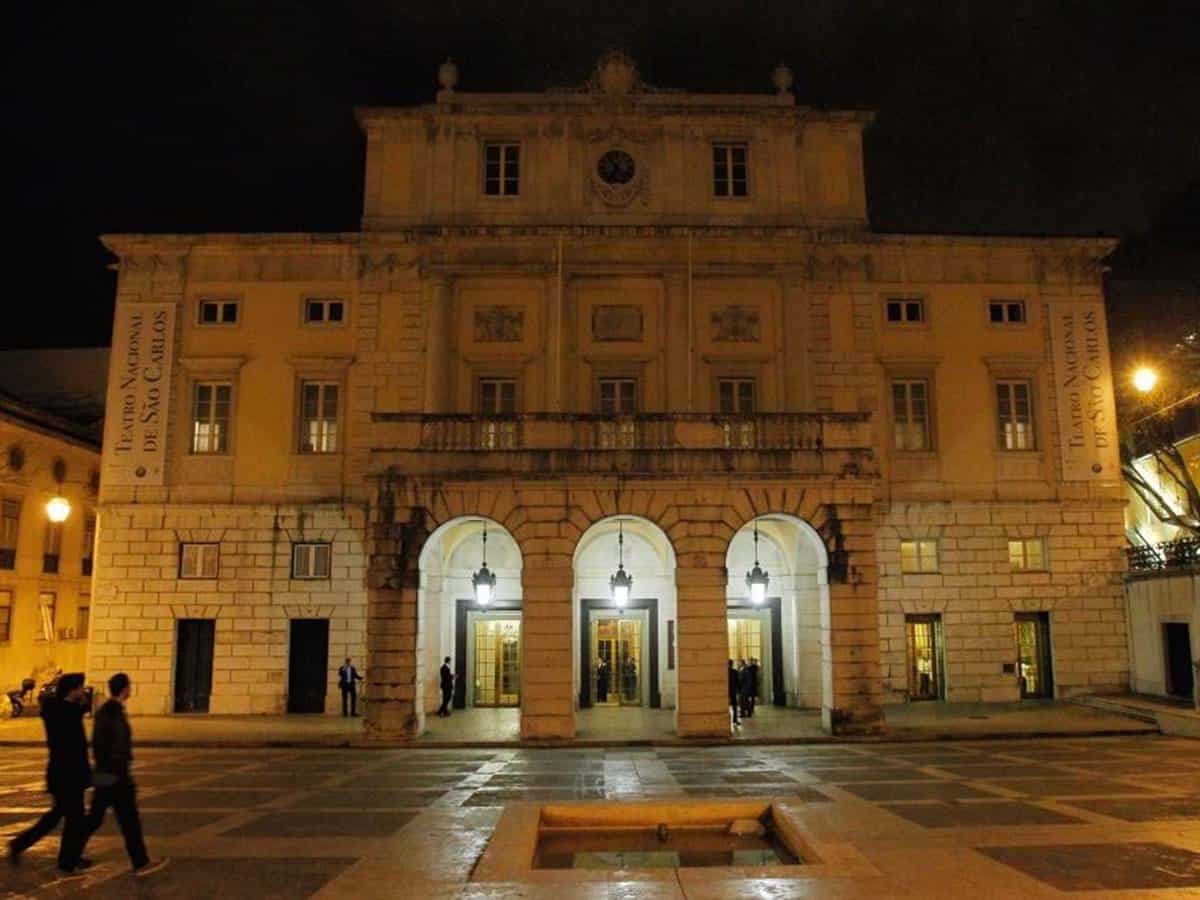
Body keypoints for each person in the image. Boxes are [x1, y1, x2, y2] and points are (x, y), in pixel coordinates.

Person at [8, 673, 93, 874]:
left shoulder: (60, 710)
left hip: (64, 773)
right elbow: (74, 737)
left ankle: (22, 845)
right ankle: (66, 861)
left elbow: (82, 707)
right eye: (80, 687)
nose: (83, 691)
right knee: (73, 818)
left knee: (59, 816)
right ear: (72, 690)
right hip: (67, 774)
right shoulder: (65, 713)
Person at [85, 673, 168, 877]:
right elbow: (114, 745)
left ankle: (68, 857)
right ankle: (140, 863)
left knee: (95, 819)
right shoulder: (112, 713)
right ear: (124, 689)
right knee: (129, 821)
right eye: (129, 686)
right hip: (115, 776)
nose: (130, 690)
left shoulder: (108, 711)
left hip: (106, 775)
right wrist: (120, 770)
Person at [727, 660, 741, 727]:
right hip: (733, 691)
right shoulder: (735, 672)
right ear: (732, 664)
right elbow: (738, 682)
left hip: (726, 691)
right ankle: (735, 720)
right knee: (734, 706)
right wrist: (738, 691)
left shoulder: (724, 671)